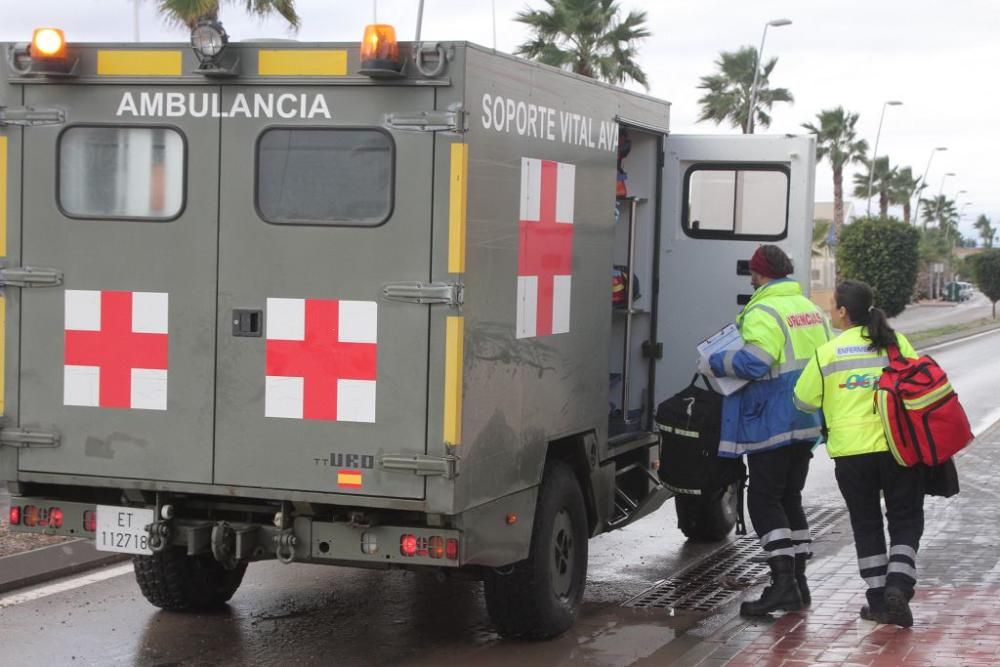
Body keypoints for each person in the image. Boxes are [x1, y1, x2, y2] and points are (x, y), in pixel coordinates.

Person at [704, 245, 832, 616]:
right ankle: (799, 581)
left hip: (770, 421)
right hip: (806, 420)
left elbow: (754, 362)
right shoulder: (811, 309)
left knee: (764, 500)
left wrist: (713, 361)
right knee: (790, 498)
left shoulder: (762, 310)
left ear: (758, 275)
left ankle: (782, 585)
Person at [793, 280, 923, 627]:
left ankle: (879, 600)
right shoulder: (896, 343)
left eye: (833, 305)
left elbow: (803, 399)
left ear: (842, 312)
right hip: (898, 447)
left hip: (851, 454)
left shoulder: (829, 352)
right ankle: (899, 582)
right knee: (906, 517)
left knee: (866, 523)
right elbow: (922, 381)